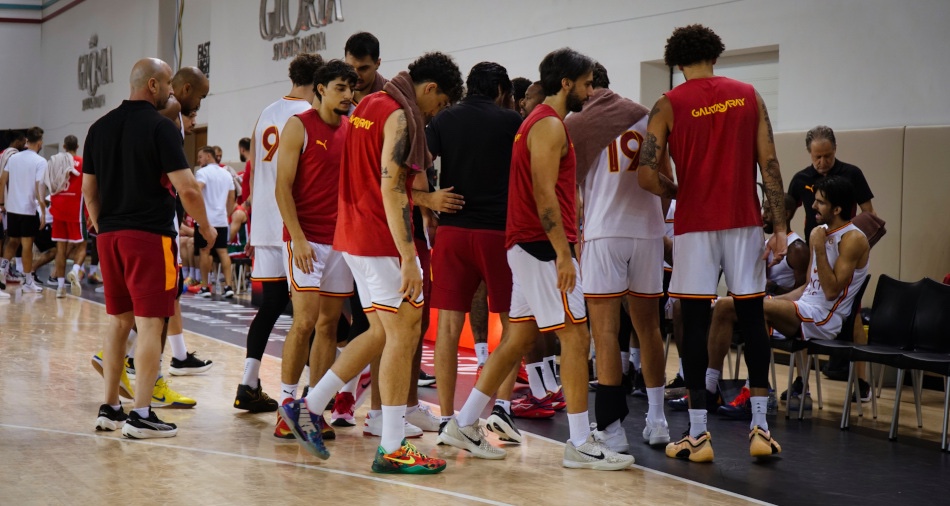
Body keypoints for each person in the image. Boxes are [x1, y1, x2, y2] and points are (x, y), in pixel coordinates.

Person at [440, 48, 633, 471]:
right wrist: (563, 253)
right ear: (566, 83)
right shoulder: (547, 125)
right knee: (576, 337)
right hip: (541, 245)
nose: (591, 91)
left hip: (526, 243)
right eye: (586, 84)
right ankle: (579, 442)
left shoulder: (538, 121)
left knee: (517, 339)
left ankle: (464, 422)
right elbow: (544, 194)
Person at [279, 51, 463, 475]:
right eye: (440, 103)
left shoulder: (368, 106)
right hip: (378, 238)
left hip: (351, 235)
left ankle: (308, 406)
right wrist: (409, 257)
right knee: (404, 332)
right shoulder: (398, 115)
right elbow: (392, 187)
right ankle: (393, 446)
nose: (436, 113)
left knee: (379, 332)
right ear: (430, 89)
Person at [638, 24, 787, 462]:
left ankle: (699, 434)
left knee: (695, 322)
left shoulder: (667, 104)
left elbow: (646, 173)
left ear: (677, 62)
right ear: (715, 56)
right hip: (744, 222)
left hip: (695, 224)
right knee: (752, 318)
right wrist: (780, 227)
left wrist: (677, 191)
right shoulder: (749, 95)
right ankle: (760, 429)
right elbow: (770, 164)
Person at [83, 57, 216, 438]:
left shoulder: (98, 128)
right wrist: (206, 227)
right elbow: (188, 189)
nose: (172, 92)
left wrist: (103, 226)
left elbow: (89, 191)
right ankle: (141, 413)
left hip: (109, 237)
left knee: (118, 322)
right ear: (153, 85)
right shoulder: (161, 128)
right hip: (148, 237)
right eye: (168, 84)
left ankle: (110, 407)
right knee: (150, 324)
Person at [565, 62, 670, 453]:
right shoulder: (645, 115)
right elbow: (664, 178)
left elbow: (570, 192)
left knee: (606, 332)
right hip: (648, 231)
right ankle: (657, 421)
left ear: (588, 86)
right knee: (650, 329)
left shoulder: (577, 122)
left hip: (604, 232)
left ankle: (612, 431)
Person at [708, 177, 870, 408]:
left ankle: (755, 394)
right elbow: (807, 287)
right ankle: (708, 388)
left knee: (756, 310)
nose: (813, 206)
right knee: (725, 306)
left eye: (820, 202)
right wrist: (772, 299)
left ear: (837, 209)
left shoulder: (853, 239)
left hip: (825, 319)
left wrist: (819, 248)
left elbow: (831, 291)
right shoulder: (820, 232)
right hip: (804, 309)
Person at [427, 62, 524, 442]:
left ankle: (446, 417)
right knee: (513, 325)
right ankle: (502, 410)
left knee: (448, 329)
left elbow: (413, 162)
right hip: (497, 234)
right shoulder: (512, 121)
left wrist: (427, 199)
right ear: (501, 89)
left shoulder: (444, 118)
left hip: (452, 232)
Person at [234, 53, 323, 415]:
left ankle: (248, 382)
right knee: (310, 314)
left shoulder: (265, 113)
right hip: (295, 226)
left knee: (270, 306)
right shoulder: (310, 116)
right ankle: (309, 394)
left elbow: (253, 169)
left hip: (265, 224)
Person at [275, 59, 357, 440]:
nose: (348, 95)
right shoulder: (298, 125)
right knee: (304, 321)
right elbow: (282, 187)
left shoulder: (351, 129)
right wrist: (298, 237)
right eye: (340, 87)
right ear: (321, 88)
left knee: (328, 326)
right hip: (305, 239)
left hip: (340, 241)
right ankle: (285, 405)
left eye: (351, 89)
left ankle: (314, 408)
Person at [788, 125, 876, 242]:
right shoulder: (800, 179)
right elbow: (786, 214)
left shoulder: (852, 174)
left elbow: (869, 213)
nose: (823, 162)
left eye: (827, 156)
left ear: (835, 148)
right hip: (813, 244)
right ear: (809, 151)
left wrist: (857, 240)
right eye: (818, 157)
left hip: (846, 244)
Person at [0, 126, 47, 293]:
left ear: (27, 140)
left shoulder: (13, 158)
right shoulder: (40, 161)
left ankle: (2, 270)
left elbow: (2, 181)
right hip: (28, 208)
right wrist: (43, 211)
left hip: (12, 208)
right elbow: (39, 187)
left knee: (12, 241)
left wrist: (1, 204)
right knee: (27, 245)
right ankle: (28, 281)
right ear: (39, 142)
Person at [194, 146, 236, 298]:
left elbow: (197, 190)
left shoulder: (202, 173)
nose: (198, 160)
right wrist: (227, 214)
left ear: (208, 156)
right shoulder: (226, 173)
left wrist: (196, 211)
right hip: (221, 219)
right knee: (223, 251)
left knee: (205, 251)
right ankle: (229, 286)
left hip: (206, 220)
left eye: (200, 157)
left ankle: (205, 287)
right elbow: (232, 197)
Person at [49, 135, 87, 297]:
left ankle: (60, 288)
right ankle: (75, 270)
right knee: (83, 245)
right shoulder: (83, 162)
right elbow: (89, 186)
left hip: (58, 207)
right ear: (77, 146)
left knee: (60, 249)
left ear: (64, 146)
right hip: (75, 208)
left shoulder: (56, 162)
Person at [344, 32, 387, 104]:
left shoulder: (393, 96)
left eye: (363, 68)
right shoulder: (335, 96)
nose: (356, 75)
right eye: (350, 68)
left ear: (377, 63)